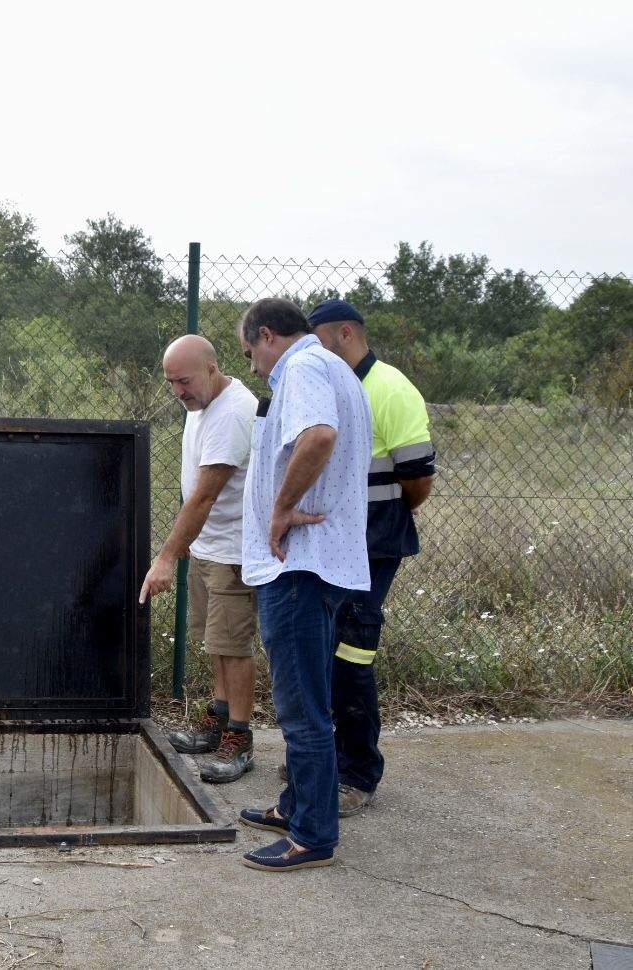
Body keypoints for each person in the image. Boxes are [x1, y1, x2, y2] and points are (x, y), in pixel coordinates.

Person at [234, 298, 371, 872]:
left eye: (250, 354)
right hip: (321, 564)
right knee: (308, 693)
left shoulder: (303, 368)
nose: (255, 368)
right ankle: (296, 806)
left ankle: (313, 835)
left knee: (300, 707)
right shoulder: (335, 367)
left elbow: (317, 437)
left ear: (268, 336)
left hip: (299, 565)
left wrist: (282, 507)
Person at [305, 298, 436, 816]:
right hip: (336, 540)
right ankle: (326, 760)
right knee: (323, 647)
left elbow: (417, 480)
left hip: (375, 542)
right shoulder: (334, 384)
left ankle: (357, 773)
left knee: (353, 652)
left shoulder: (390, 389)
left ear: (343, 335)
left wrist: (380, 515)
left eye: (316, 341)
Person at [139, 334, 260, 784]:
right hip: (208, 545)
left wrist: (167, 556)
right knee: (215, 644)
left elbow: (206, 495)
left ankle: (240, 738)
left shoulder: (232, 412)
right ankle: (218, 716)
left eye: (184, 381)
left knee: (232, 645)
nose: (178, 391)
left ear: (212, 368)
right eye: (171, 382)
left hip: (233, 550)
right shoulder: (201, 404)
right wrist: (188, 544)